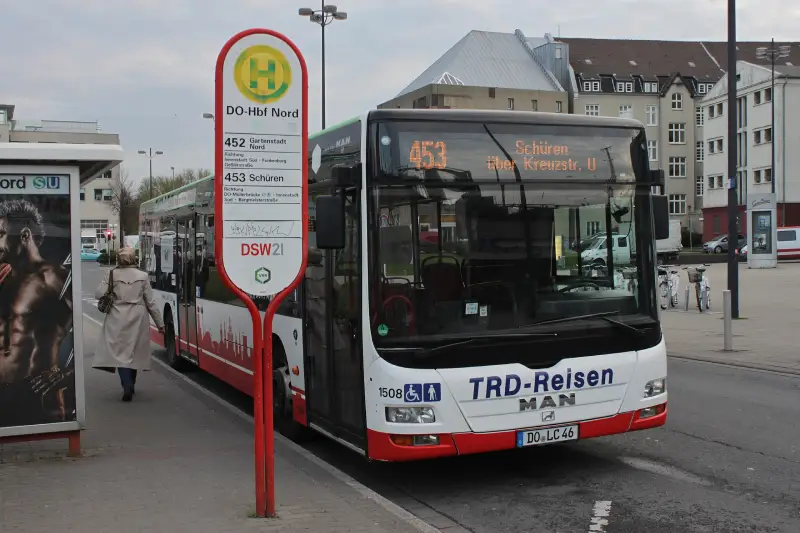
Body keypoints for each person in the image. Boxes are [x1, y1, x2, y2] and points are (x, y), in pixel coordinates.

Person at [0, 199, 73, 427]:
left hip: (35, 396)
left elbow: (79, 330)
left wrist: (65, 374)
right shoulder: (6, 277)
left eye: (1, 233)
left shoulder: (52, 278)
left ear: (24, 235)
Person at [92, 246, 164, 402]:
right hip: (137, 317)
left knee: (120, 353)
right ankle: (131, 383)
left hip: (116, 316)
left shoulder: (111, 274)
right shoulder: (142, 276)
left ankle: (127, 385)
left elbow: (98, 294)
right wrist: (160, 324)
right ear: (133, 259)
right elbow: (151, 302)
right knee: (134, 351)